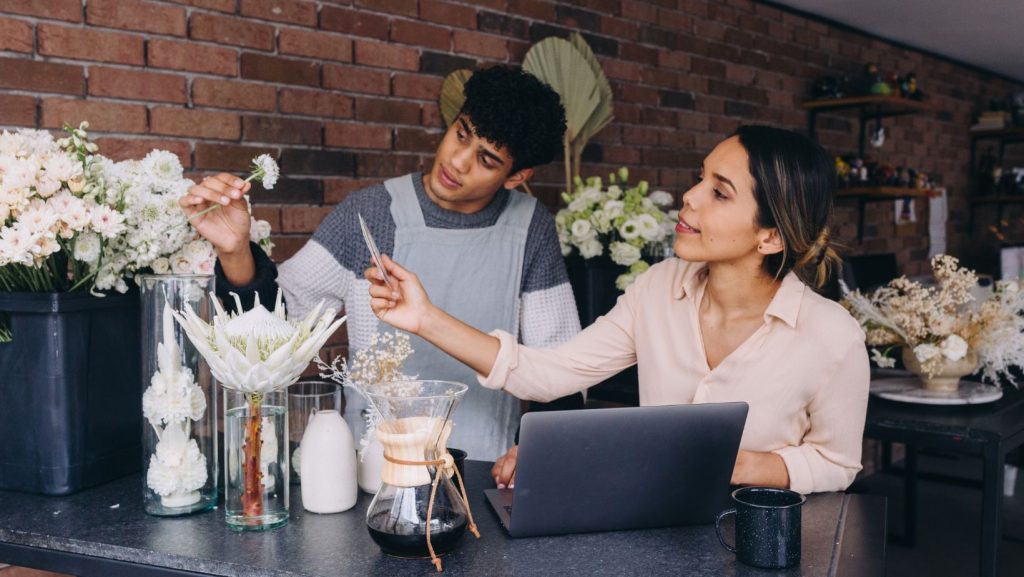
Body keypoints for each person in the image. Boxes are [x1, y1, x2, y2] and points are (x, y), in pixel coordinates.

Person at [366, 125, 871, 495]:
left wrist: (739, 464)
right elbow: (549, 372)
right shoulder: (658, 289)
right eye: (700, 179)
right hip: (650, 524)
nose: (689, 197)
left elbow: (836, 462)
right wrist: (425, 317)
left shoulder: (831, 336)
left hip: (763, 542)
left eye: (718, 192)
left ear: (771, 235)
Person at [179, 65, 582, 461]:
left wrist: (539, 452)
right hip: (373, 468)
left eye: (487, 160)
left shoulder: (531, 229)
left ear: (516, 176)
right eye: (461, 135)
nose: (458, 162)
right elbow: (276, 328)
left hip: (483, 472)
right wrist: (235, 251)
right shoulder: (369, 213)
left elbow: (560, 368)